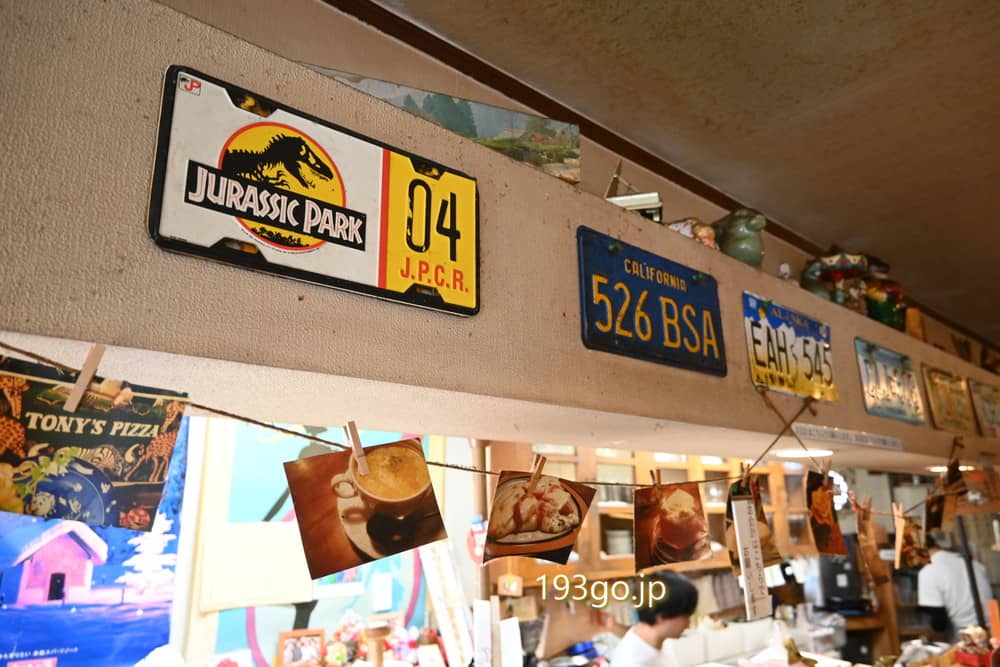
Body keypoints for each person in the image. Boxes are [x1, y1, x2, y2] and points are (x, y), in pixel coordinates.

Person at [608, 570, 698, 667]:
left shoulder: (659, 641)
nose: (688, 624)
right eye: (686, 617)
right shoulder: (630, 662)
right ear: (662, 617)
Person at [918, 534, 994, 642]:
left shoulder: (928, 571)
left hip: (968, 636)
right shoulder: (972, 563)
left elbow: (939, 622)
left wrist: (928, 637)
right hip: (994, 629)